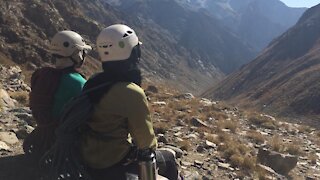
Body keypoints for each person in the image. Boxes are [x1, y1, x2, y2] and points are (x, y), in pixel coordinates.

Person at [80, 24, 179, 180]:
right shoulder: (131, 92)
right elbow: (146, 143)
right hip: (113, 162)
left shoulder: (94, 82)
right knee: (169, 159)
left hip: (87, 157)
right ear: (133, 54)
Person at [23, 30, 92, 161]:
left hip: (43, 136)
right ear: (76, 54)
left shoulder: (42, 75)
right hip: (64, 141)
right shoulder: (79, 82)